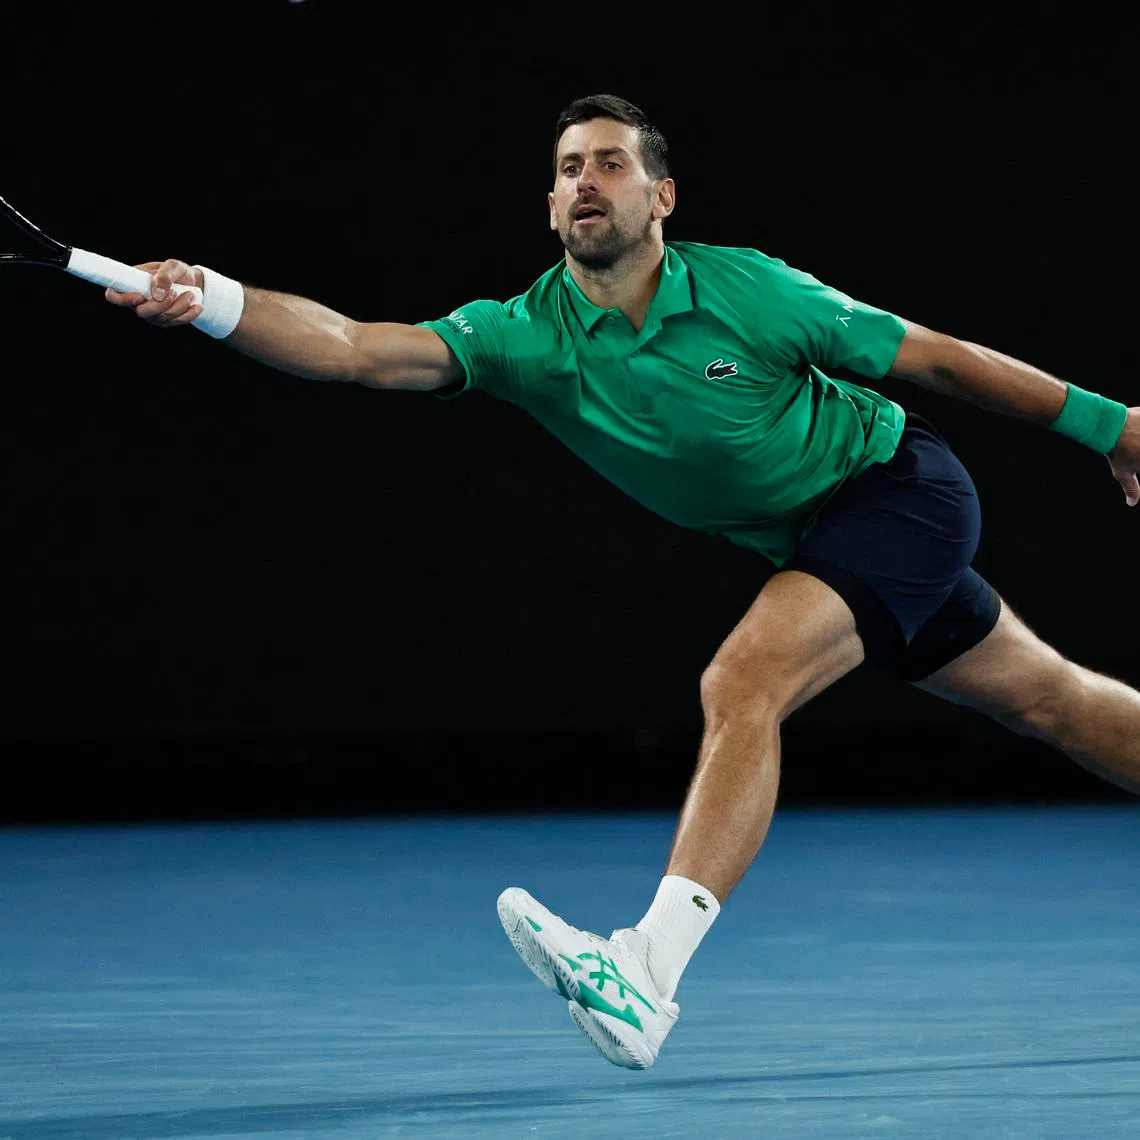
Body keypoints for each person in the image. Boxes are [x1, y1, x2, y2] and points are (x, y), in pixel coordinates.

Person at [106, 94, 1139, 1071]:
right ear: (551, 205)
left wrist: (1113, 426)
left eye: (611, 162)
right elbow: (355, 351)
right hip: (813, 542)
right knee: (1052, 700)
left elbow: (941, 360)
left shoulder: (752, 289)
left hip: (898, 493)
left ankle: (646, 972)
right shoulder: (524, 335)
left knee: (745, 684)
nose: (588, 180)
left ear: (662, 197)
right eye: (568, 169)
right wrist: (212, 300)